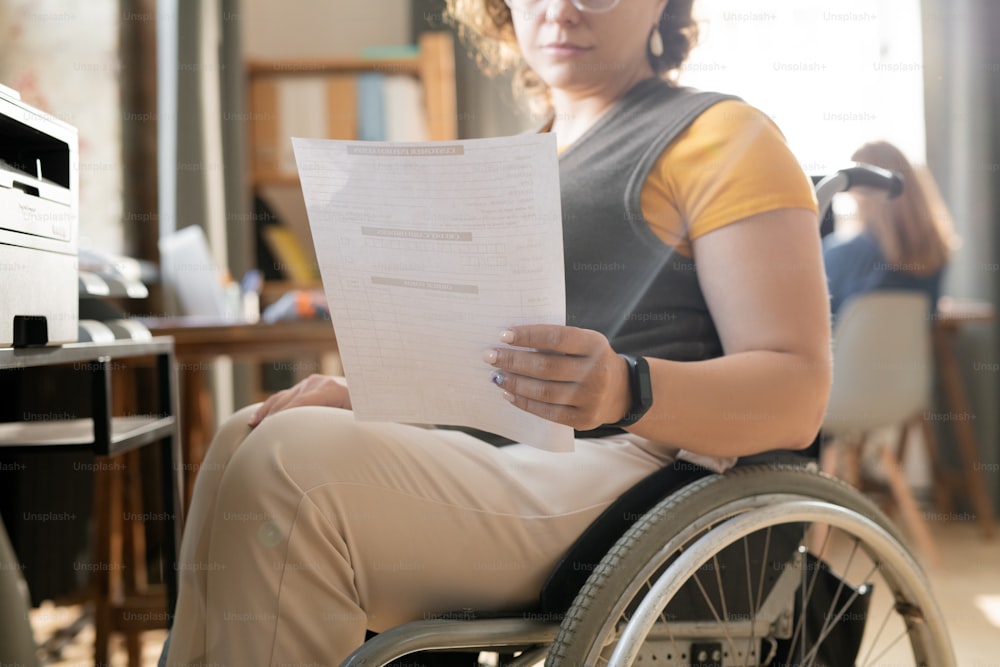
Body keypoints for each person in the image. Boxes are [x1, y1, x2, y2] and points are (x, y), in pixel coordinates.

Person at [162, 0, 831, 664]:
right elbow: (479, 362)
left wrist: (626, 386)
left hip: (638, 465)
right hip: (507, 449)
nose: (561, 11)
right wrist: (373, 394)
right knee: (243, 434)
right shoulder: (530, 154)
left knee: (290, 466)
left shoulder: (723, 134)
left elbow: (797, 391)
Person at [822, 140, 958, 317]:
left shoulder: (840, 254)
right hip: (909, 346)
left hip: (845, 344)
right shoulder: (934, 251)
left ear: (865, 193)